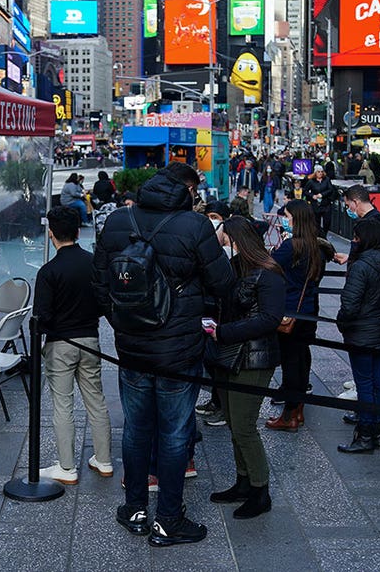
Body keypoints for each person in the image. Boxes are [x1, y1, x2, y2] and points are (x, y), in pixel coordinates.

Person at [92, 162, 234, 546]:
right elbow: (224, 284)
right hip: (179, 350)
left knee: (136, 429)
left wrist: (124, 323)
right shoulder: (194, 225)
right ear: (185, 191)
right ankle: (169, 519)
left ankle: (135, 509)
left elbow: (100, 285)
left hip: (132, 348)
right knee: (174, 433)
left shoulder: (118, 221)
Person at [205, 217, 284, 519]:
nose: (223, 245)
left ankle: (260, 490)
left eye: (225, 240)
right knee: (234, 424)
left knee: (244, 426)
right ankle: (243, 481)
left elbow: (269, 319)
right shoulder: (238, 268)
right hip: (228, 355)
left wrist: (223, 332)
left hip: (253, 358)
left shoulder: (269, 273)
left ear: (238, 240)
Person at [35, 207, 112, 485]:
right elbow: (104, 303)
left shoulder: (48, 271)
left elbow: (43, 317)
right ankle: (103, 460)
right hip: (90, 339)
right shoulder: (93, 263)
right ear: (78, 232)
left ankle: (67, 467)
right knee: (96, 401)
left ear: (51, 233)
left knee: (63, 405)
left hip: (60, 344)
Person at [334, 219, 380, 453]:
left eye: (356, 238)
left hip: (361, 332)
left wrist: (342, 323)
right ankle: (378, 433)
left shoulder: (361, 266)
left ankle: (364, 435)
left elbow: (349, 304)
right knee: (378, 383)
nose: (353, 241)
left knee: (364, 384)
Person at [266, 200, 332, 432]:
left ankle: (289, 414)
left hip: (290, 311)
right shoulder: (317, 246)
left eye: (285, 215)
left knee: (291, 362)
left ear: (295, 218)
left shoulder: (292, 246)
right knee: (302, 358)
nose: (283, 219)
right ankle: (298, 410)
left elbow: (267, 267)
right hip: (309, 310)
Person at [303, 166, 336, 235]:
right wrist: (312, 196)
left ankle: (324, 234)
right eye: (318, 172)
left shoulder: (326, 180)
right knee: (316, 222)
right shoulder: (311, 181)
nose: (320, 173)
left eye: (321, 172)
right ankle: (318, 235)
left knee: (327, 221)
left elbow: (330, 189)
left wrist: (322, 194)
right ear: (315, 173)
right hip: (316, 204)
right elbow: (305, 191)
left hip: (326, 203)